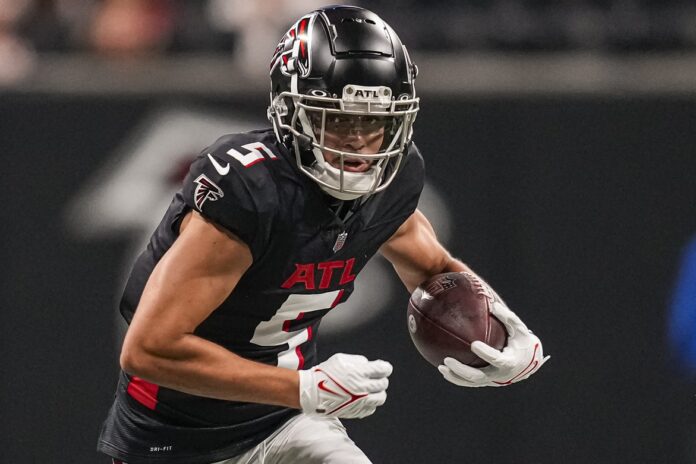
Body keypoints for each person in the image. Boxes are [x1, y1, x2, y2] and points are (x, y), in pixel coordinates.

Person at [97, 5, 549, 463]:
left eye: (373, 121)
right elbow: (148, 350)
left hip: (286, 418)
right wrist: (307, 386)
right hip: (177, 441)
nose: (357, 141)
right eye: (340, 119)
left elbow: (434, 269)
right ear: (291, 111)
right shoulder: (252, 192)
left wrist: (502, 325)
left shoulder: (392, 181)